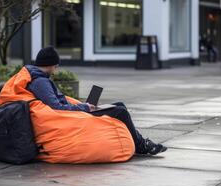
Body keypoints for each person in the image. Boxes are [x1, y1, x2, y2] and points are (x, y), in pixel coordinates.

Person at [25, 46, 167, 155]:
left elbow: (60, 104)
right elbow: (57, 108)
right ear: (49, 65)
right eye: (55, 66)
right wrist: (85, 108)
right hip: (70, 117)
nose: (56, 70)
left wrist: (83, 105)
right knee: (121, 112)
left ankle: (141, 143)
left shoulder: (41, 79)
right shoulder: (40, 82)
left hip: (73, 112)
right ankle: (142, 146)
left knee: (119, 105)